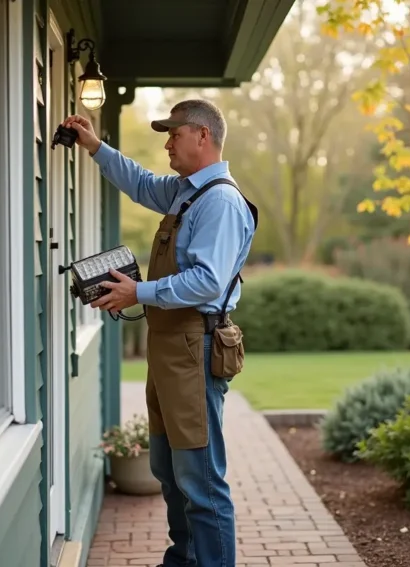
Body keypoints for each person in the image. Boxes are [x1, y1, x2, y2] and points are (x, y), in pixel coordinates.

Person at [63, 99, 258, 567]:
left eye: (174, 134)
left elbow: (207, 282)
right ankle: (185, 561)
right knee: (169, 470)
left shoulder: (221, 201)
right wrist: (95, 146)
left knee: (201, 479)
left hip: (195, 347)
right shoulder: (187, 193)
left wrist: (140, 292)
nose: (167, 143)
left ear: (203, 137)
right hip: (171, 348)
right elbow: (141, 183)